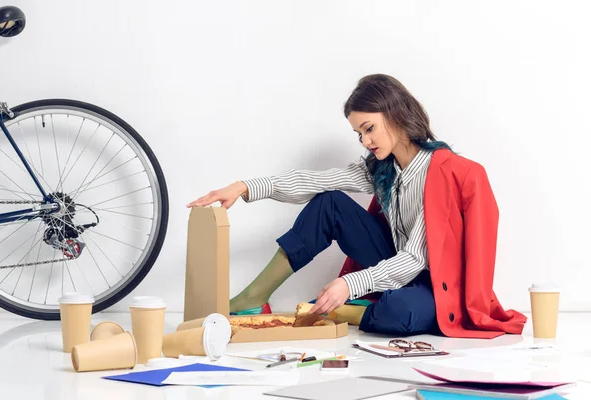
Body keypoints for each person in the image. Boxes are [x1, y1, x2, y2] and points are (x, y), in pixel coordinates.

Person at [188, 74, 526, 338]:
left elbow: (416, 258)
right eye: (359, 133)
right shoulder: (383, 168)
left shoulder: (444, 172)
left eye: (369, 129)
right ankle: (253, 298)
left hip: (433, 282)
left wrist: (350, 285)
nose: (365, 141)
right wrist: (246, 187)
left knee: (399, 311)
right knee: (330, 203)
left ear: (396, 114)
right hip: (393, 265)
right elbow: (316, 181)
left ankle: (346, 310)